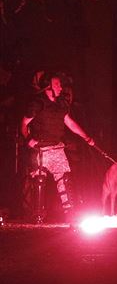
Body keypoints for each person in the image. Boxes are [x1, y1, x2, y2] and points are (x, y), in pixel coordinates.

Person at [20, 71, 94, 223]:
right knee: (39, 181)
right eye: (57, 84)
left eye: (60, 84)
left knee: (65, 180)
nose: (60, 87)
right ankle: (38, 215)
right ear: (48, 87)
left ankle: (70, 214)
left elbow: (70, 123)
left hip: (56, 149)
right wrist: (28, 139)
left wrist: (86, 137)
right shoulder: (38, 104)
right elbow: (24, 124)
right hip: (40, 150)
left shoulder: (61, 104)